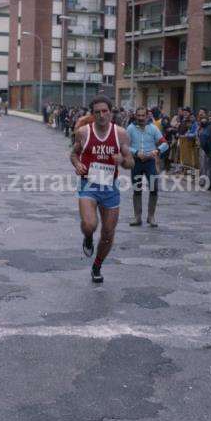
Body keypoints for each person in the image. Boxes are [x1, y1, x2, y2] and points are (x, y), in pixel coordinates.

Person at [70, 95, 134, 284]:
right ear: (93, 114)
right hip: (88, 185)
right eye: (97, 112)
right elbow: (73, 153)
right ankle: (88, 237)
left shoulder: (120, 133)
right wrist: (77, 164)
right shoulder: (83, 132)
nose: (101, 115)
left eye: (105, 111)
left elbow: (130, 162)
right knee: (90, 224)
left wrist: (122, 160)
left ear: (111, 112)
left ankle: (97, 265)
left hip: (110, 187)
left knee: (108, 232)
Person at [127, 107, 169, 228]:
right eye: (138, 115)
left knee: (153, 188)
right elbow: (123, 145)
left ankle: (151, 217)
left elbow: (165, 143)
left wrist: (156, 151)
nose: (140, 118)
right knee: (137, 189)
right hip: (136, 162)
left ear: (147, 116)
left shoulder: (153, 128)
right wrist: (135, 152)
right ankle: (137, 217)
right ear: (135, 116)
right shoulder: (130, 128)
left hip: (150, 162)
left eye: (143, 116)